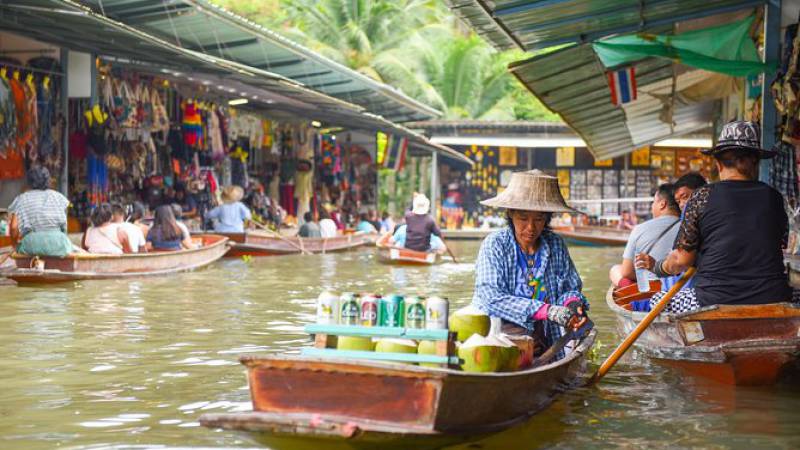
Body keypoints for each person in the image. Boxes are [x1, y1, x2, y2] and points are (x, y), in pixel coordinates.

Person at [636, 121, 792, 313]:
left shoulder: (702, 196)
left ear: (718, 164)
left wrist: (658, 267)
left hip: (713, 300)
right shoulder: (774, 197)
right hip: (773, 296)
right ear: (755, 161)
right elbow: (782, 244)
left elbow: (680, 261)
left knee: (657, 300)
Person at [472, 170, 589, 360]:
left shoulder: (555, 244)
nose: (531, 228)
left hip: (542, 336)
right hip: (497, 337)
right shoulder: (495, 244)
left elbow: (570, 288)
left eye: (539, 219)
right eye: (523, 218)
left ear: (547, 218)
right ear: (510, 214)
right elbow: (490, 297)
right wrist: (546, 310)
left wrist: (573, 305)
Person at [609, 184, 681, 287]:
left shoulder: (640, 229)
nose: (652, 206)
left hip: (652, 290)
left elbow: (627, 272)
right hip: (680, 286)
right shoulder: (689, 228)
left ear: (662, 204)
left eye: (653, 202)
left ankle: (631, 291)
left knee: (615, 270)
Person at [8, 166, 74, 257]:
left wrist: (14, 245)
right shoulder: (59, 197)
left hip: (31, 244)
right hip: (60, 243)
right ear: (48, 181)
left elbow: (14, 227)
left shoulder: (21, 199)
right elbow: (64, 226)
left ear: (29, 182)